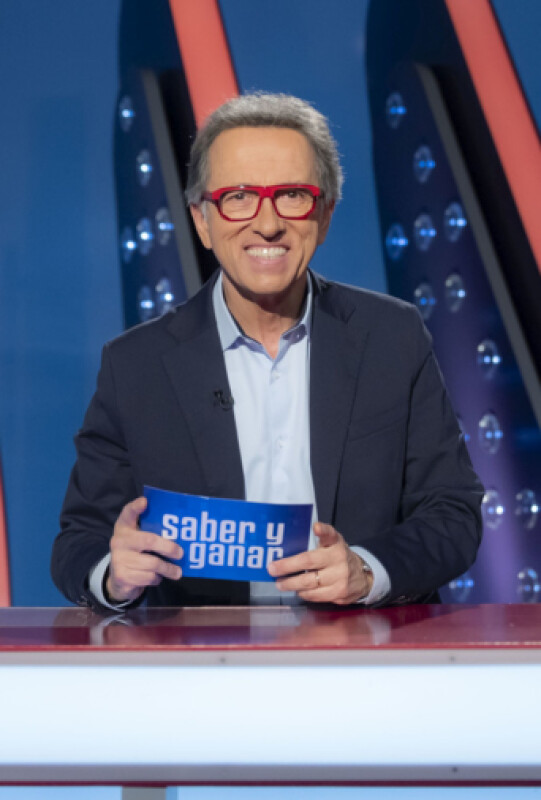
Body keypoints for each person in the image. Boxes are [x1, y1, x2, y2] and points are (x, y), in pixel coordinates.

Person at [51, 92, 483, 611]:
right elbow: (79, 542)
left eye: (292, 195)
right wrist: (113, 576)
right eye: (238, 197)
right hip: (206, 653)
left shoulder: (393, 336)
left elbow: (452, 512)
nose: (268, 222)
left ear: (324, 214)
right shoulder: (135, 365)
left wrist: (366, 571)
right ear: (202, 220)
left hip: (363, 649)